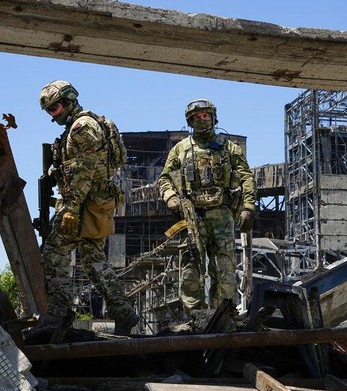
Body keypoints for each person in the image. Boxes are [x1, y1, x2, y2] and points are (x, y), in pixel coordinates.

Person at [33, 80, 139, 336]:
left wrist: (70, 207)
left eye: (55, 107)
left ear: (69, 101)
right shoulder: (82, 125)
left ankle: (57, 314)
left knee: (53, 255)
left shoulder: (81, 127)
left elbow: (86, 169)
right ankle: (124, 313)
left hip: (82, 205)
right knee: (94, 262)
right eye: (49, 110)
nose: (53, 113)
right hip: (94, 202)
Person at [158, 98, 256, 312]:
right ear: (190, 122)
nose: (201, 120)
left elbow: (246, 177)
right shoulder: (180, 150)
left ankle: (223, 316)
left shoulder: (229, 148)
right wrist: (170, 197)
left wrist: (248, 207)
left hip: (221, 214)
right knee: (190, 271)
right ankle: (195, 318)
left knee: (225, 270)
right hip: (192, 217)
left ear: (213, 118)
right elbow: (164, 178)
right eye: (196, 117)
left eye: (205, 116)